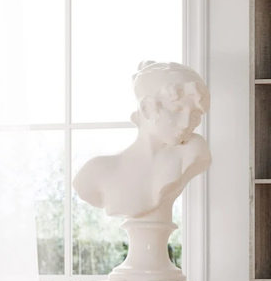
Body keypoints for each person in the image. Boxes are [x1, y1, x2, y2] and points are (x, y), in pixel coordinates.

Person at [73, 61, 211, 220]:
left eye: (195, 115)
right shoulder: (97, 171)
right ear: (146, 108)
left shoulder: (193, 152)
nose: (186, 123)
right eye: (177, 109)